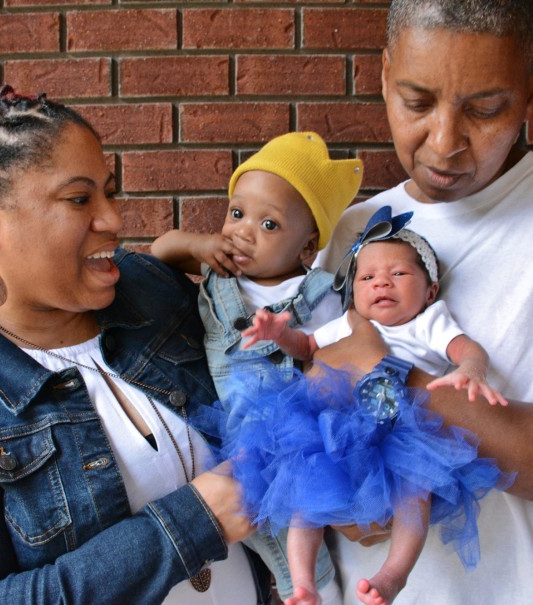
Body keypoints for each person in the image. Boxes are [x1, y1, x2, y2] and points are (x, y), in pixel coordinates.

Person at [0, 86, 272, 604]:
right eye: (79, 199)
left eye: (109, 192)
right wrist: (194, 521)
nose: (113, 219)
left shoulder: (155, 293)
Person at [311, 1, 533, 603]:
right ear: (383, 76)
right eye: (416, 101)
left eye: (485, 109)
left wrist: (385, 382)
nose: (444, 142)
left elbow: (347, 367)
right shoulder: (350, 229)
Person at [240, 206, 509, 605]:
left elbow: (467, 348)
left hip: (404, 432)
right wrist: (281, 336)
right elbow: (310, 347)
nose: (382, 282)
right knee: (306, 499)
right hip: (335, 426)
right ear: (354, 291)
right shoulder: (349, 321)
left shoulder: (427, 321)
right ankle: (302, 584)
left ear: (430, 290)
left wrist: (471, 368)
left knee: (413, 497)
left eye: (398, 274)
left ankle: (392, 576)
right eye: (367, 277)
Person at [152, 131, 363, 604]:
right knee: (252, 524)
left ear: (307, 245)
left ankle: (314, 591)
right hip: (223, 431)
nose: (243, 231)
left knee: (292, 526)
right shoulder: (218, 270)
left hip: (289, 432)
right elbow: (160, 251)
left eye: (269, 225)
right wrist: (199, 244)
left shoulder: (319, 294)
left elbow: (331, 358)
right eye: (237, 212)